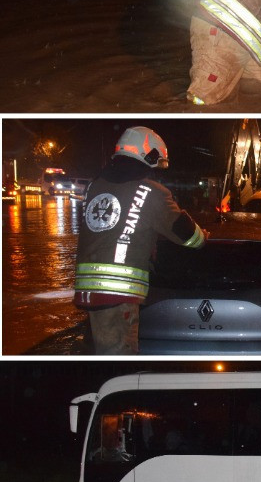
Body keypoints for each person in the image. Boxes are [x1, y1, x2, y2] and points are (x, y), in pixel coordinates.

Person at [73, 127, 208, 354]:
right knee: (118, 359)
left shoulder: (94, 186)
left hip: (87, 292)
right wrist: (204, 236)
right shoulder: (152, 192)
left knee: (96, 353)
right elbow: (188, 237)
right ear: (150, 155)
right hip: (118, 295)